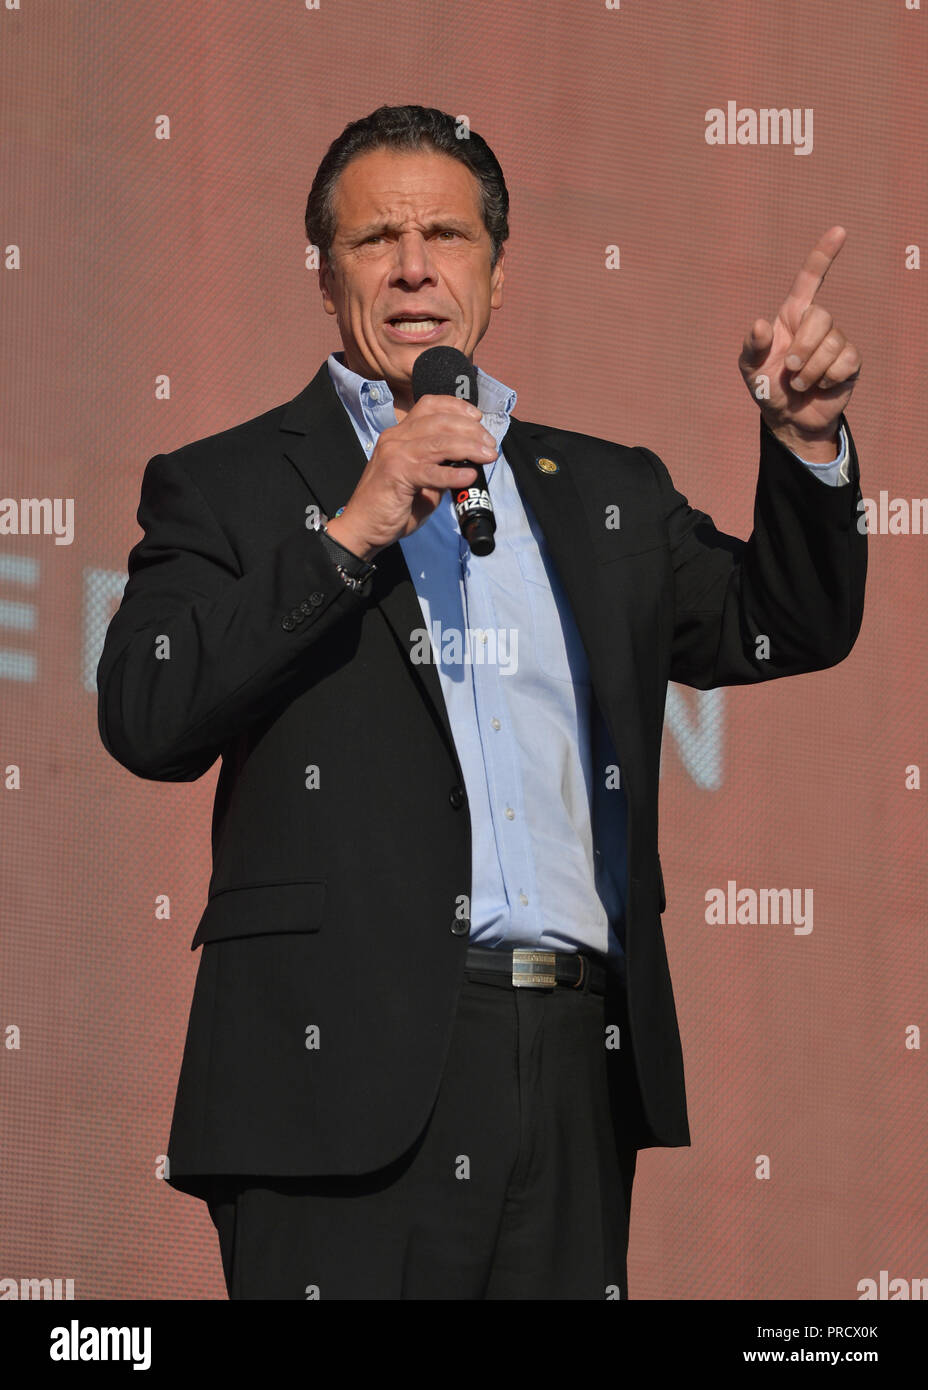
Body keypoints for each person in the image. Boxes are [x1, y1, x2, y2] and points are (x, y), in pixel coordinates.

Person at [96, 104, 866, 1300]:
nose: (414, 266)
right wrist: (354, 528)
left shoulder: (608, 491)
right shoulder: (229, 484)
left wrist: (807, 445)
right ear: (324, 271)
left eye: (447, 236)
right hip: (331, 1083)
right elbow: (146, 713)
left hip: (566, 1066)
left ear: (496, 272)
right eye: (375, 239)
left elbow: (786, 623)